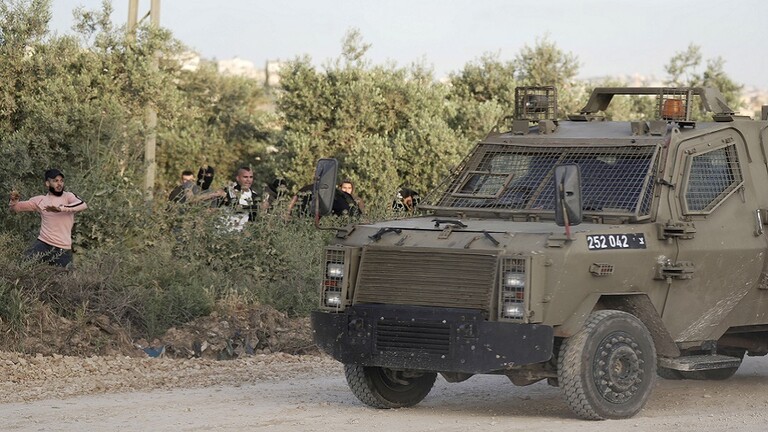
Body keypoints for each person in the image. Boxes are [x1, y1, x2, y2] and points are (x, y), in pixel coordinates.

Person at [9, 168, 88, 268]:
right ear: (47, 183)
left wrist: (60, 209)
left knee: (64, 277)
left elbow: (82, 204)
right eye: (55, 181)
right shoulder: (40, 200)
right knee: (21, 267)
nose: (59, 184)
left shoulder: (68, 196)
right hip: (43, 244)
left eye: (61, 181)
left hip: (62, 249)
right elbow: (16, 208)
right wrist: (13, 201)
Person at [214, 166, 267, 231]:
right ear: (238, 178)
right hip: (224, 231)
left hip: (241, 233)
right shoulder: (230, 189)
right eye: (245, 177)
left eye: (251, 177)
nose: (248, 180)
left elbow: (253, 217)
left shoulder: (254, 195)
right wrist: (258, 207)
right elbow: (236, 207)